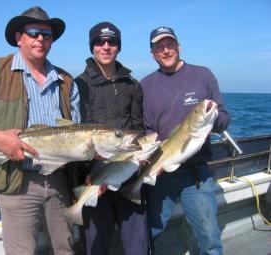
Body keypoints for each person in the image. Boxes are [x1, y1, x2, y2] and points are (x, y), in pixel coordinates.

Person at [0, 6, 80, 255]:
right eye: (33, 32)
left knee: (66, 249)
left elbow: (77, 130)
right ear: (19, 38)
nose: (41, 38)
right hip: (17, 181)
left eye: (47, 34)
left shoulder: (67, 81)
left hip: (59, 181)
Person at [141, 26, 229, 255]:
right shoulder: (145, 86)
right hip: (161, 174)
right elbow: (146, 131)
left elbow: (224, 118)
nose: (166, 50)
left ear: (178, 46)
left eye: (170, 44)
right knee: (149, 233)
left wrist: (213, 118)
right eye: (159, 47)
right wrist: (151, 164)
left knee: (209, 238)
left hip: (196, 174)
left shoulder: (203, 75)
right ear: (152, 53)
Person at [74, 22, 149, 255]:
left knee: (138, 248)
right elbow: (75, 138)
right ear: (92, 46)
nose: (106, 47)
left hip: (128, 176)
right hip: (93, 180)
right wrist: (87, 173)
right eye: (99, 42)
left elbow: (138, 129)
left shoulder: (132, 86)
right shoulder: (78, 86)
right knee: (95, 248)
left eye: (112, 42)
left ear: (118, 47)